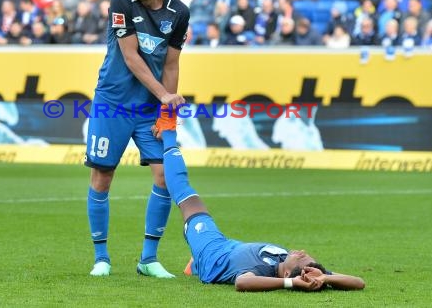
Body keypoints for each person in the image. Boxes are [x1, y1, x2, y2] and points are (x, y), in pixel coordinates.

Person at [151, 107, 366, 292]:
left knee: (186, 196)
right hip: (230, 245)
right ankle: (193, 264)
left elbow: (242, 284)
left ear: (289, 273)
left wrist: (290, 284)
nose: (301, 252)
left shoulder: (262, 273)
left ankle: (168, 133)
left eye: (301, 258)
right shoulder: (306, 270)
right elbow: (359, 282)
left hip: (213, 253)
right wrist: (325, 277)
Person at [85, 0, 190, 278]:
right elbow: (130, 57)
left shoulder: (179, 12)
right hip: (111, 102)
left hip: (148, 109)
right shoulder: (120, 2)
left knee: (163, 176)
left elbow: (171, 64)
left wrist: (166, 112)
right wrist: (165, 96)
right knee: (103, 176)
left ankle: (148, 258)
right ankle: (101, 258)